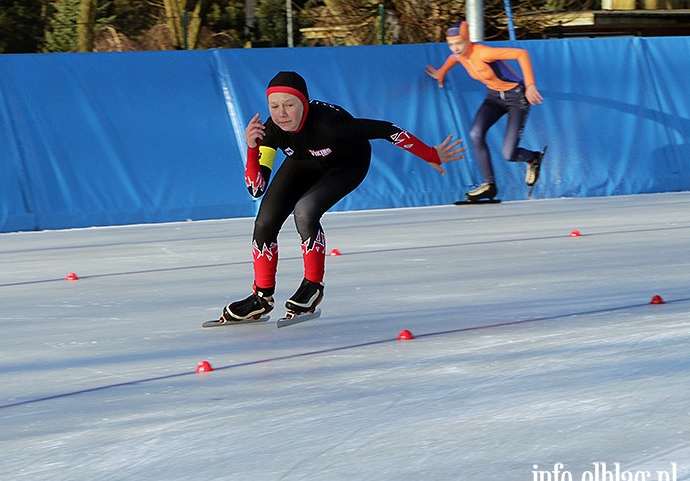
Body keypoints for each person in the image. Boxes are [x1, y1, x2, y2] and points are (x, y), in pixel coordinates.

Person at [215, 71, 466, 324]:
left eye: (289, 105)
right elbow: (256, 189)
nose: (281, 113)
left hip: (347, 164)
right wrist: (252, 148)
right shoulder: (272, 130)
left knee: (305, 210)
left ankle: (313, 286)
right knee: (264, 222)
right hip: (304, 162)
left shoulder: (333, 124)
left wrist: (431, 154)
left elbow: (388, 130)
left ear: (304, 103)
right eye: (274, 106)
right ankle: (261, 298)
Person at [425, 20, 545, 202]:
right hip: (494, 97)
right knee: (475, 133)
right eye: (451, 44)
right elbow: (452, 59)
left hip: (516, 97)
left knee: (509, 154)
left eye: (459, 43)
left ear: (468, 40)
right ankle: (489, 185)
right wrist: (441, 73)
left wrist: (530, 85)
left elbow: (522, 54)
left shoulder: (483, 53)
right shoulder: (460, 55)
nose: (455, 48)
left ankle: (533, 158)